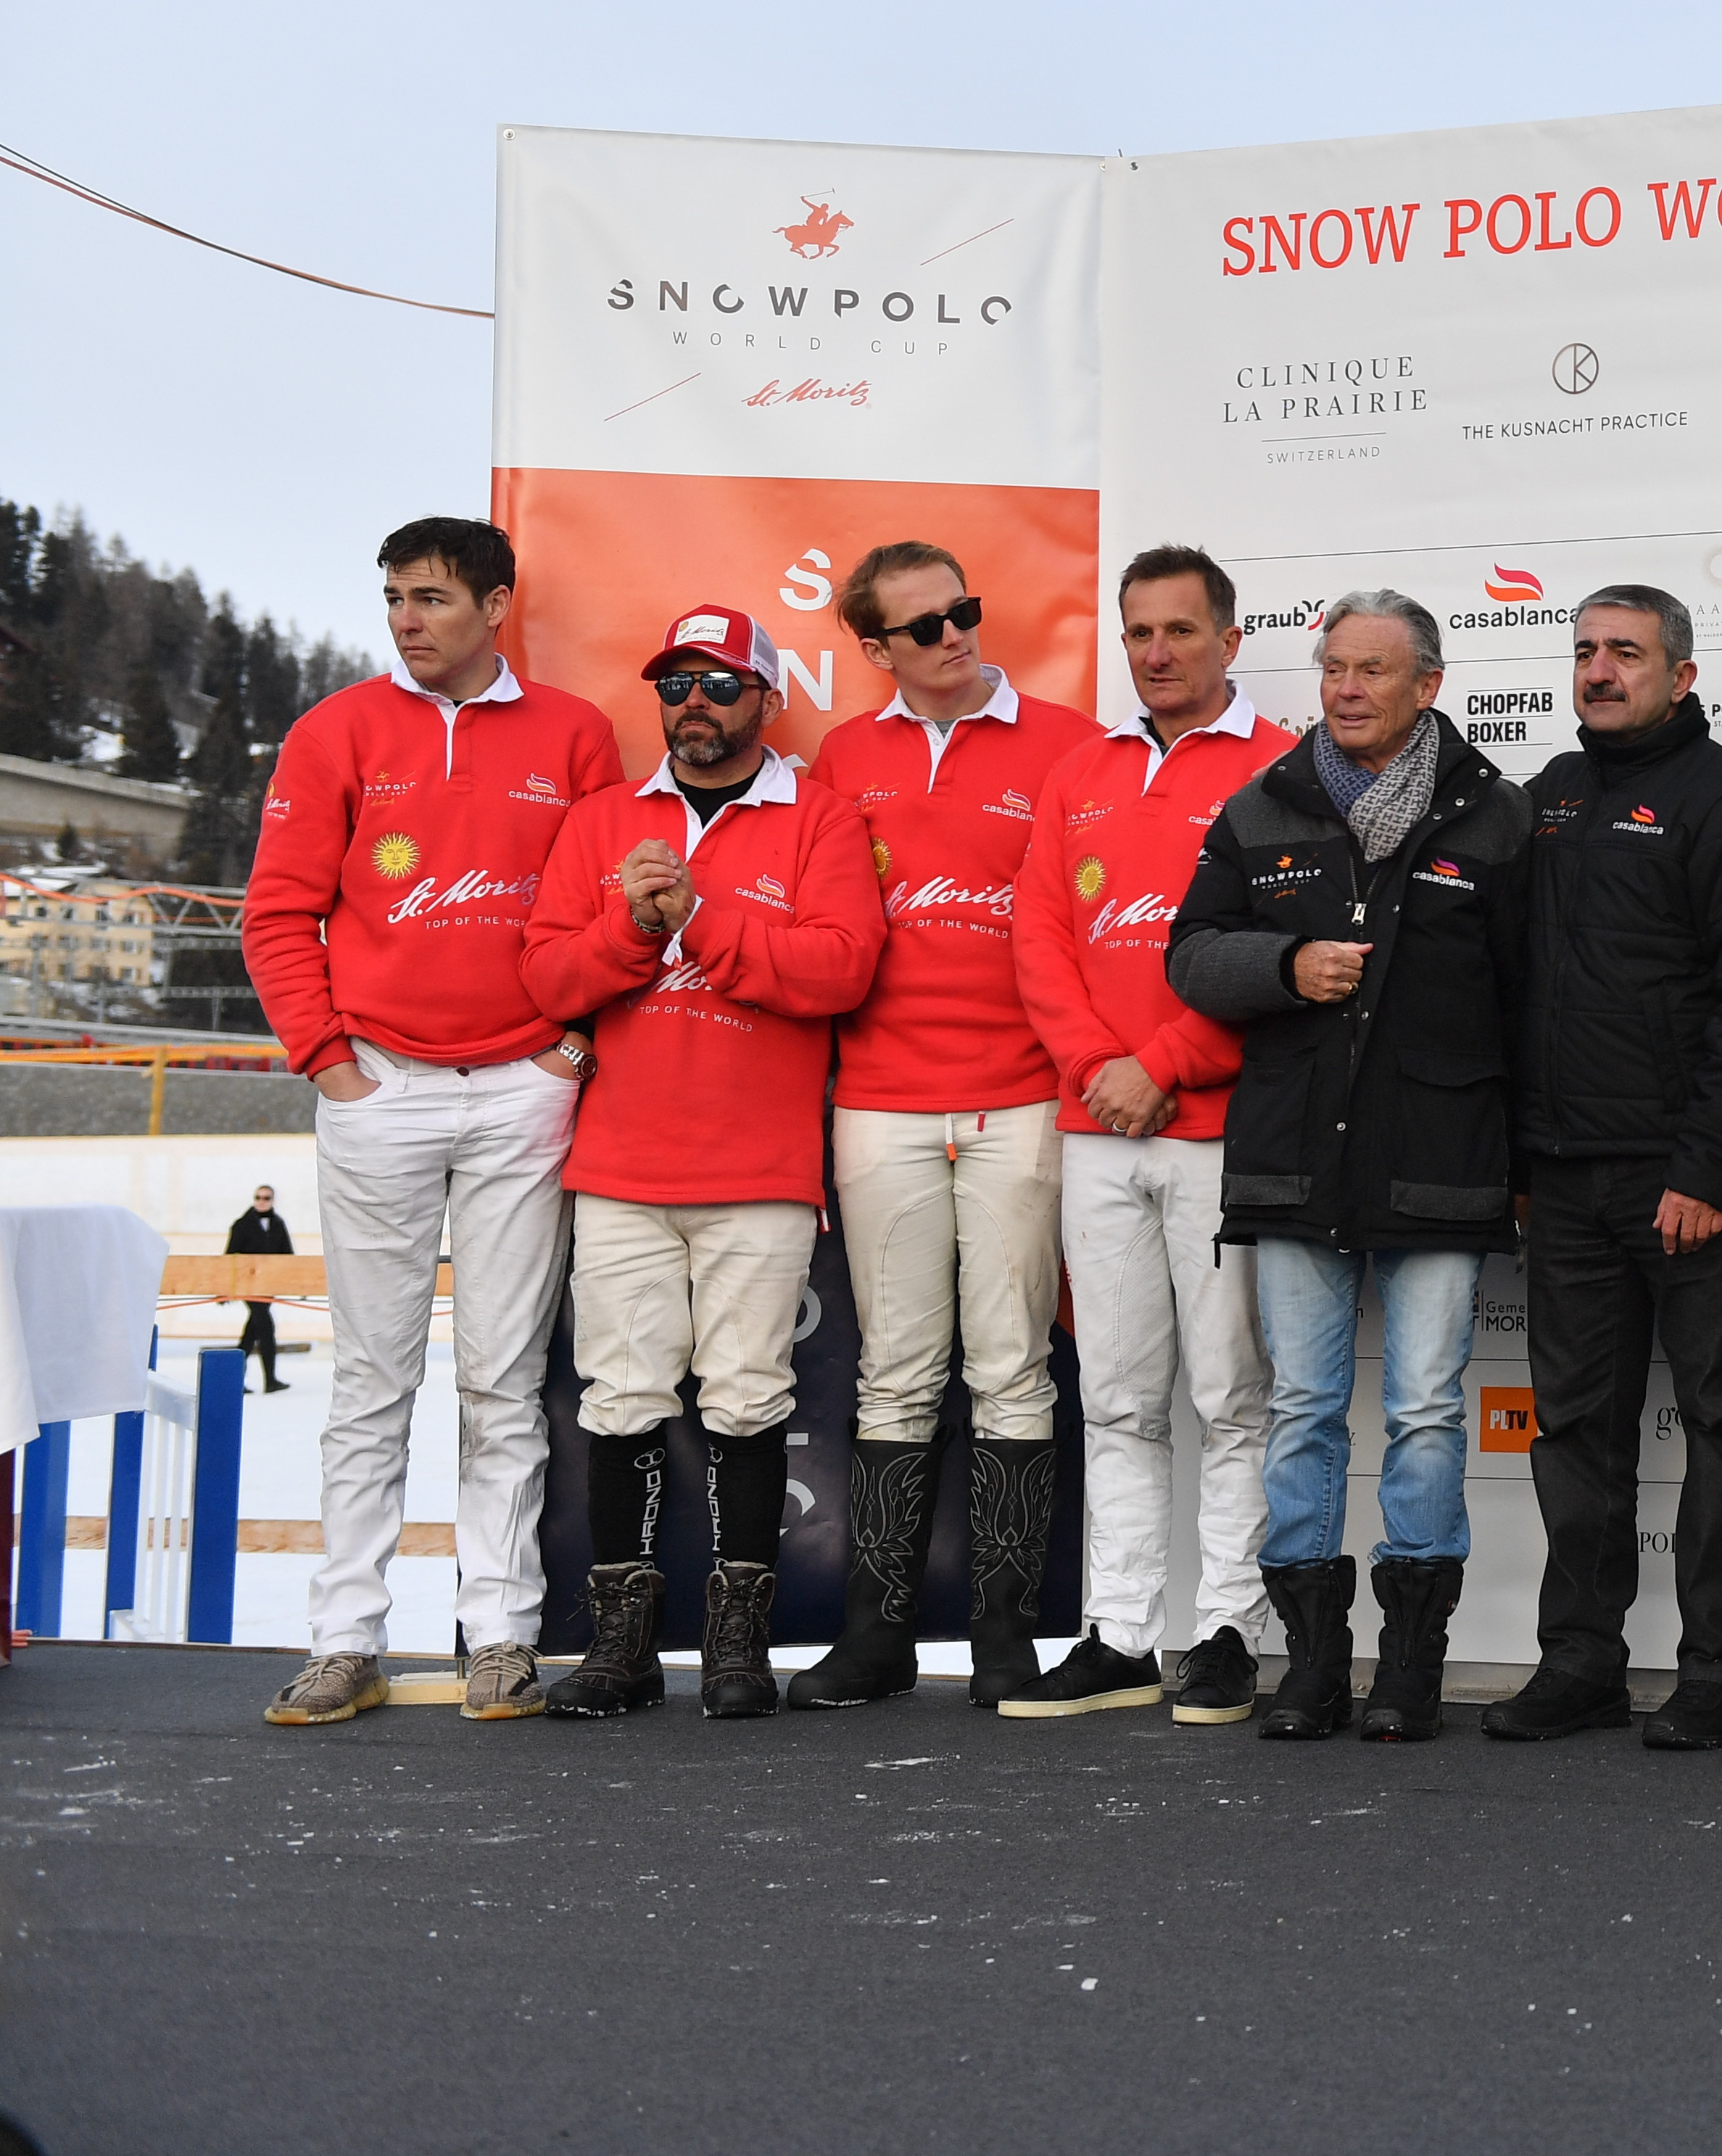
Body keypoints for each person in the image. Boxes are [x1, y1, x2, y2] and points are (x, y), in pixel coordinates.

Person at [245, 516, 621, 1727]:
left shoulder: (574, 734)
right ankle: (344, 1638)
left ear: (497, 606)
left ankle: (498, 1633)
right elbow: (277, 913)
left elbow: (616, 905)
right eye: (394, 597)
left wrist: (569, 1051)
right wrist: (328, 1057)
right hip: (380, 1089)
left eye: (432, 598)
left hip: (524, 1091)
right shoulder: (336, 728)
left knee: (504, 1382)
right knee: (371, 1380)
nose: (406, 619)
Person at [1167, 591, 1530, 1747]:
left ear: (1429, 685)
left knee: (1425, 1412)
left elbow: (1533, 1006)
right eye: (1333, 668)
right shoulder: (1258, 806)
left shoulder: (1498, 819)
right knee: (1305, 1414)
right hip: (1293, 1164)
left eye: (1374, 671)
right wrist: (1284, 964)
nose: (1347, 689)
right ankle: (1313, 1668)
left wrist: (1521, 1160)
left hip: (1441, 1159)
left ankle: (1410, 1668)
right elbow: (1190, 958)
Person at [520, 605, 887, 1722]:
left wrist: (701, 921)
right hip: (623, 1165)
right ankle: (622, 1650)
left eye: (722, 685)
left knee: (746, 1400)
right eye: (677, 683)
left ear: (768, 703)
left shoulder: (819, 818)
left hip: (761, 1169)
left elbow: (841, 972)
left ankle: (740, 1647)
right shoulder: (599, 823)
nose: (696, 704)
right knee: (621, 1400)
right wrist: (633, 930)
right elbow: (546, 982)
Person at [1486, 587, 1722, 1751]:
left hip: (1686, 1182)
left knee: (1721, 1422)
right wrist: (1518, 1159)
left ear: (1683, 674)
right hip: (1563, 1180)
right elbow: (1511, 991)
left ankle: (1719, 1671)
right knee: (1573, 1430)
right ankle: (1581, 1665)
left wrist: (1709, 1169)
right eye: (1584, 653)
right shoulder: (1547, 801)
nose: (1599, 671)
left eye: (1626, 652)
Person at [790, 543, 1093, 1712]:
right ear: (874, 650)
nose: (955, 635)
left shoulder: (1068, 744)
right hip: (881, 1101)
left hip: (1023, 1097)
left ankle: (1007, 1640)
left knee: (1015, 1370)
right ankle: (878, 1642)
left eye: (963, 611)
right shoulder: (844, 756)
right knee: (896, 1376)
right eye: (923, 628)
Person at [1000, 548, 1295, 1727]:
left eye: (1179, 630)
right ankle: (1119, 1633)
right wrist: (1097, 1072)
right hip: (1098, 1131)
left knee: (1231, 1394)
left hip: (1219, 1127)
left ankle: (1225, 1629)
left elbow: (1282, 950)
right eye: (1138, 633)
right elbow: (1039, 941)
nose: (1157, 653)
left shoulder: (1284, 769)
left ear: (1229, 637)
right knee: (1117, 1396)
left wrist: (1159, 1067)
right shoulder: (1081, 771)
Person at [225, 1188, 292, 1393]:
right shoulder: (242, 1225)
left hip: (267, 1287)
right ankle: (270, 1380)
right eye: (258, 1198)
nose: (262, 1202)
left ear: (272, 1200)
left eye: (266, 1198)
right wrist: (226, 1288)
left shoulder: (278, 1224)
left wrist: (293, 1282)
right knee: (266, 1328)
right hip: (249, 1286)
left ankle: (235, 1379)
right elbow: (230, 1257)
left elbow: (287, 1254)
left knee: (251, 1333)